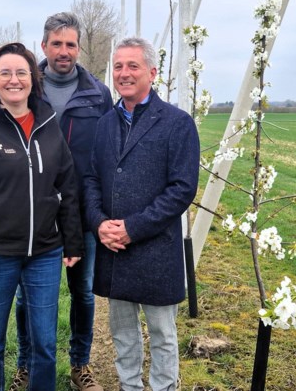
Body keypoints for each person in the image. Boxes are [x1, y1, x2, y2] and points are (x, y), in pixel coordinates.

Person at [0, 42, 83, 391]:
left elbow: (66, 185)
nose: (13, 80)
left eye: (21, 72)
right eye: (4, 73)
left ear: (33, 79)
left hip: (46, 254)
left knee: (45, 343)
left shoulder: (49, 123)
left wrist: (72, 241)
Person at [83, 37, 200, 391]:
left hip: (155, 248)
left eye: (132, 66)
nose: (124, 73)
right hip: (114, 248)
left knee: (163, 334)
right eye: (118, 66)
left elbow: (182, 189)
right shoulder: (105, 124)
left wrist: (132, 228)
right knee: (122, 333)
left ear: (152, 72)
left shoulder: (177, 123)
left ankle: (165, 387)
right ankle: (129, 386)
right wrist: (99, 223)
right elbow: (90, 179)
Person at [10, 12, 112, 391]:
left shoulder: (97, 94)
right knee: (27, 297)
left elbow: (105, 153)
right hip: (31, 212)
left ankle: (80, 364)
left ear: (79, 48)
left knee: (82, 292)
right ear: (44, 46)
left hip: (81, 212)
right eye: (57, 44)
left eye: (70, 44)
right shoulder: (25, 88)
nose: (64, 51)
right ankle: (26, 364)